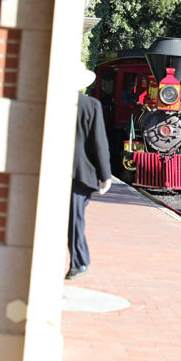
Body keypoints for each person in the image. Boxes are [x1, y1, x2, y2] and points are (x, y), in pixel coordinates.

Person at [68, 67, 112, 279]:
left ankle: (80, 260)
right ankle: (79, 261)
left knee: (73, 219)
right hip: (81, 173)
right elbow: (99, 142)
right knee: (76, 219)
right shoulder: (91, 105)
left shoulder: (55, 102)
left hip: (62, 170)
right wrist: (106, 175)